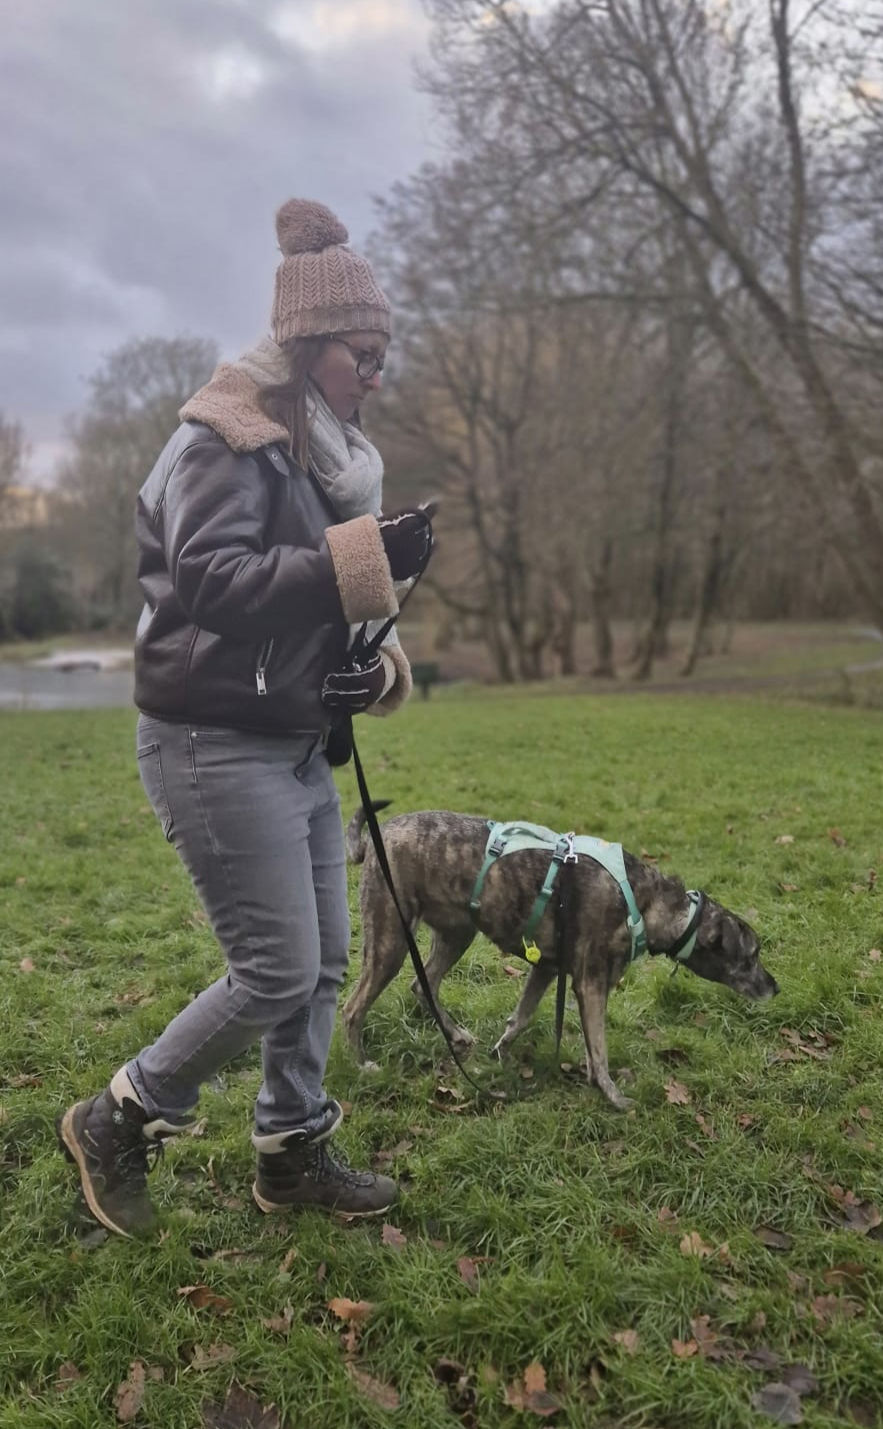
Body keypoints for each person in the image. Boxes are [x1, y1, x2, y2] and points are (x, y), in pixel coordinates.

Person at [57, 197, 435, 1238]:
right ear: (312, 343)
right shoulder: (227, 438)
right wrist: (362, 558)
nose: (376, 373)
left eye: (382, 356)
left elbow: (300, 607)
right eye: (365, 352)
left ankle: (291, 1151)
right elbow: (218, 585)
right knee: (274, 967)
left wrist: (368, 668)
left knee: (316, 966)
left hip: (289, 741)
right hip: (208, 743)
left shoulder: (317, 459)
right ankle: (119, 1114)